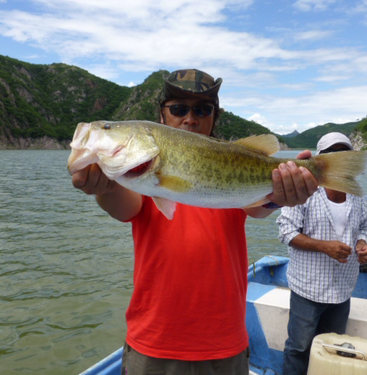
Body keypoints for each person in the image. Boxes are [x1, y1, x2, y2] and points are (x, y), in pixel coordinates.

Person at [71, 68, 318, 375]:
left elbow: (258, 207)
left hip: (225, 344)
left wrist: (280, 194)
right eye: (178, 109)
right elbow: (121, 206)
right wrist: (104, 186)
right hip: (153, 345)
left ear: (215, 117)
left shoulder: (231, 159)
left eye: (202, 109)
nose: (190, 118)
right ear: (161, 116)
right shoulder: (139, 176)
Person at [277, 132, 367, 375]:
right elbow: (286, 232)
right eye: (332, 153)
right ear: (320, 159)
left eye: (344, 153)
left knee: (332, 350)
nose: (338, 159)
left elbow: (364, 224)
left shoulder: (355, 194)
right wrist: (324, 246)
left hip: (342, 291)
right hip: (308, 290)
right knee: (298, 349)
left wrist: (363, 244)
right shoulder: (304, 191)